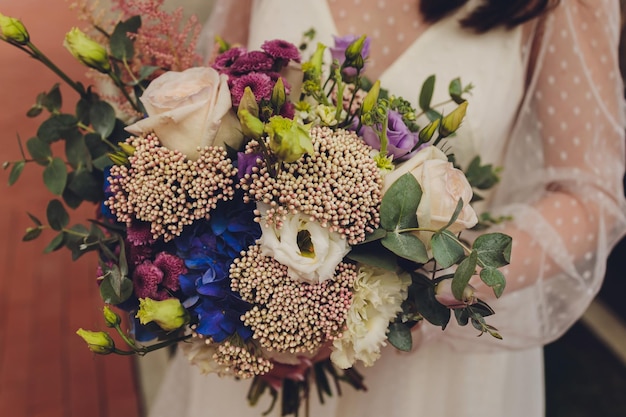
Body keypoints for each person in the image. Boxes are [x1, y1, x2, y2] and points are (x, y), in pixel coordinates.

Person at [149, 1, 626, 416]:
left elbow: (591, 196)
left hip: (430, 377)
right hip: (262, 336)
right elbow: (220, 97)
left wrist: (418, 294)